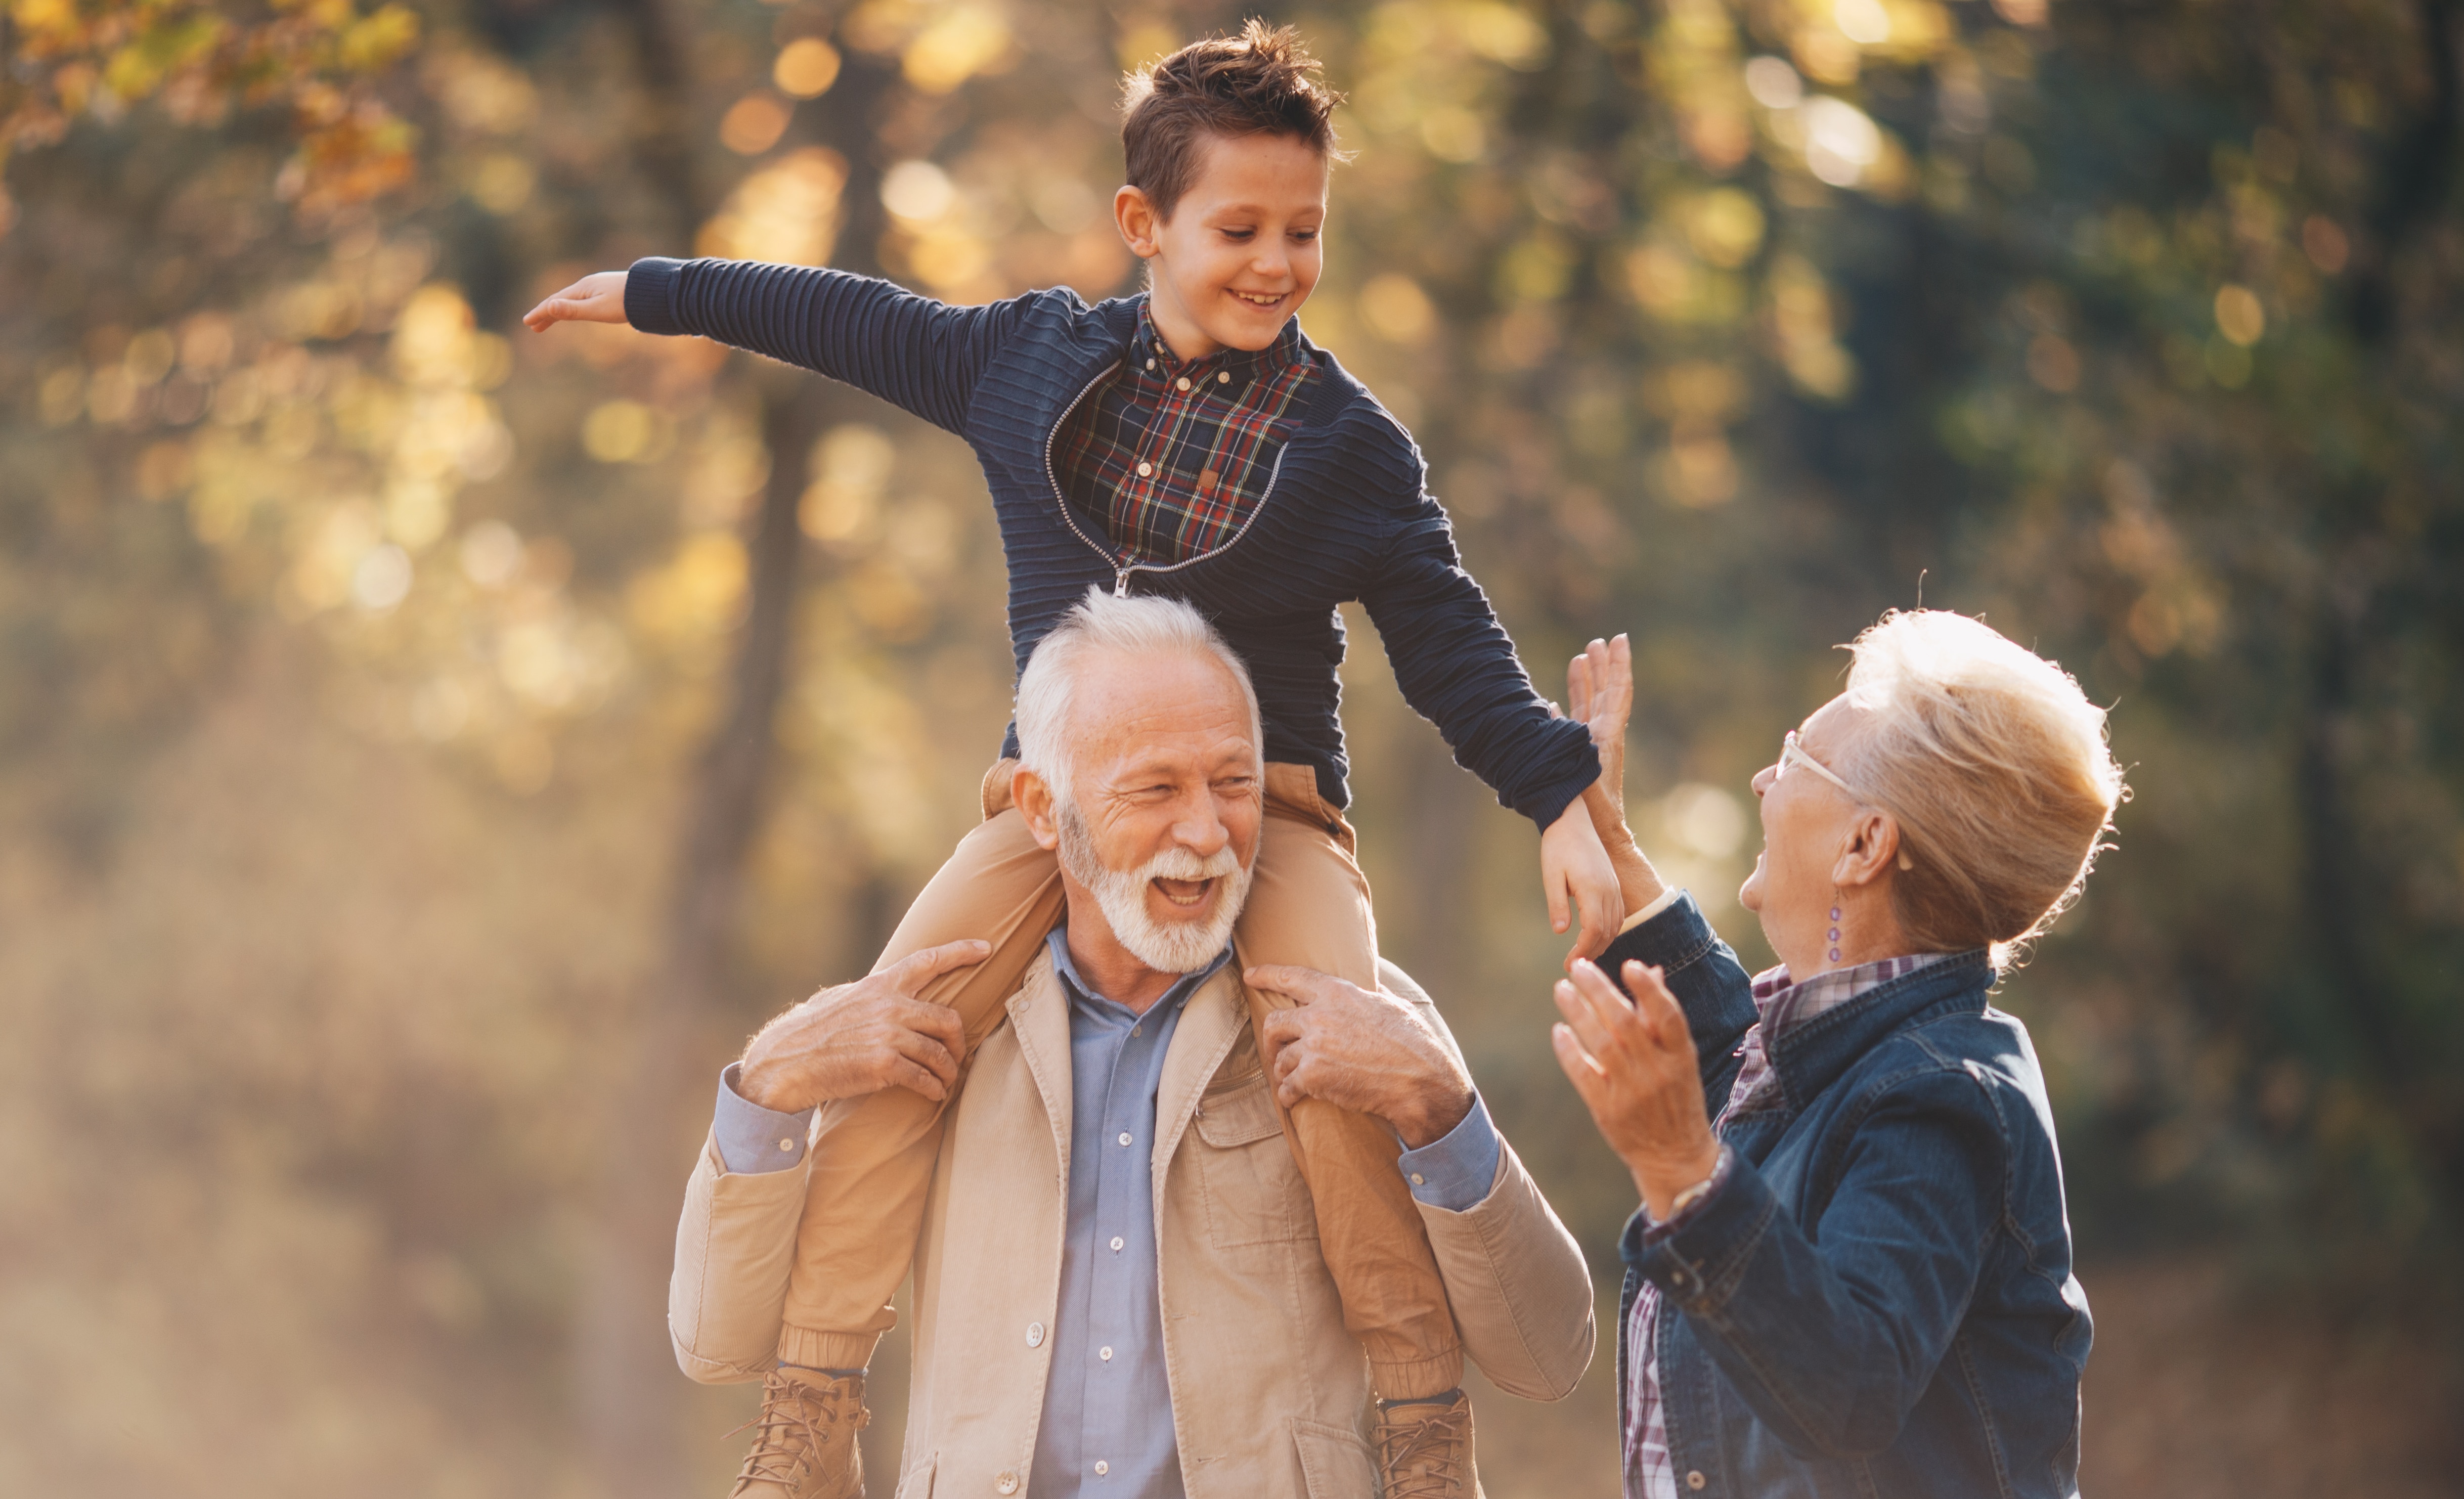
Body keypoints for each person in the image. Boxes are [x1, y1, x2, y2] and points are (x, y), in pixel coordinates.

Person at [526, 23, 1620, 1494]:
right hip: (1051, 809)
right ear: (1143, 225)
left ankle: (1423, 1424)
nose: (1277, 263)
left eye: (1305, 231)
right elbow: (847, 315)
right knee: (892, 1031)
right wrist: (658, 294)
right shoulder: (1029, 363)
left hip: (1274, 816)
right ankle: (810, 1405)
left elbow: (1448, 637)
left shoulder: (1349, 448)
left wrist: (1556, 788)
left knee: (1336, 1046)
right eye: (1239, 228)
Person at [672, 590, 1594, 1499]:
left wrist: (1444, 1110)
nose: (1206, 832)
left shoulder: (1359, 1017)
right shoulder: (944, 1028)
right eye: (1155, 789)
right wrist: (768, 1084)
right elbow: (715, 1342)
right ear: (1043, 808)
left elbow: (1548, 1356)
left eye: (1234, 784)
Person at [1548, 614, 2121, 1498]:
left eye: (1794, 756)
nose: (1762, 778)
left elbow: (1847, 1389)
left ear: (1865, 845)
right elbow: (1726, 1054)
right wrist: (1607, 835)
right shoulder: (1836, 1058)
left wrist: (1681, 1169)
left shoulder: (1944, 1099)